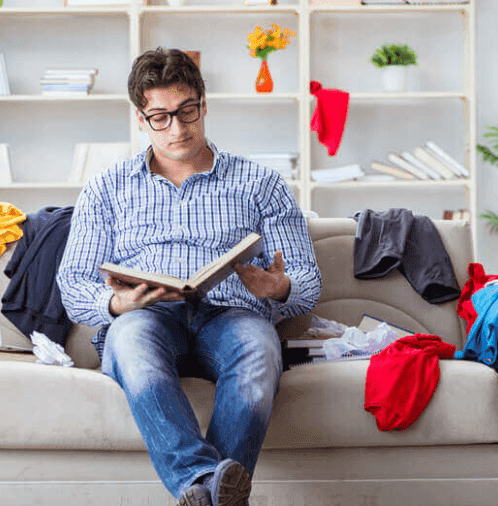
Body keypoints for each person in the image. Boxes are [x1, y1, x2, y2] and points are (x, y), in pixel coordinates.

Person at [56, 47, 322, 506]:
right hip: (148, 318)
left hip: (233, 316)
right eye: (160, 117)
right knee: (130, 342)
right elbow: (74, 283)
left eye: (186, 112)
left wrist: (281, 288)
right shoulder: (107, 187)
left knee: (259, 350)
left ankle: (201, 492)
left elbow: (307, 279)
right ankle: (209, 484)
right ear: (140, 118)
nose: (177, 129)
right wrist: (118, 304)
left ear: (203, 103)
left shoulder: (262, 183)